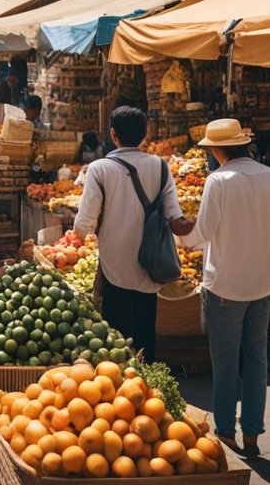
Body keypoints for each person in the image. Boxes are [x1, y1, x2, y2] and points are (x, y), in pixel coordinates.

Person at [173, 119, 270, 457]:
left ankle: (225, 431)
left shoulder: (218, 181)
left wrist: (176, 229)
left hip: (225, 284)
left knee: (224, 363)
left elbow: (202, 232)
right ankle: (252, 433)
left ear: (218, 150)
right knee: (256, 360)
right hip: (264, 281)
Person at [73, 106, 189, 363]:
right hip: (151, 262)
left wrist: (75, 239)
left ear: (113, 134)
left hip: (115, 265)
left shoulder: (99, 169)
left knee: (117, 339)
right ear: (144, 135)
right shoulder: (160, 166)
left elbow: (84, 224)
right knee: (146, 334)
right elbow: (174, 215)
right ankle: (147, 387)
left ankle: (123, 390)